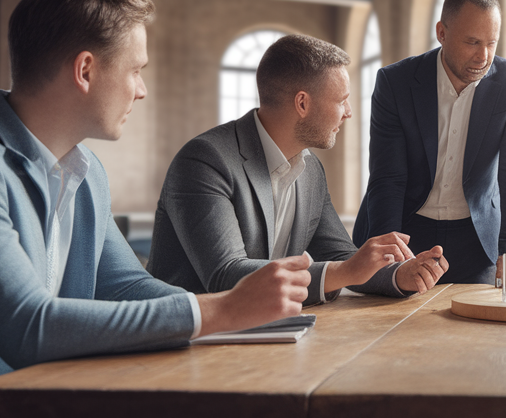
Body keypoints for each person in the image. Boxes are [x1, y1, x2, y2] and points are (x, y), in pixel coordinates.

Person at [0, 0, 311, 418]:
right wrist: (220, 311)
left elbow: (125, 286)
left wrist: (245, 318)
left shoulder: (86, 170)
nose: (141, 90)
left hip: (35, 400)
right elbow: (28, 327)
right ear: (85, 70)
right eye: (135, 70)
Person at [148, 34, 447, 303]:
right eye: (342, 100)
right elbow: (225, 276)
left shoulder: (311, 169)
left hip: (267, 336)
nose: (349, 113)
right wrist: (345, 271)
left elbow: (342, 258)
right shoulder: (205, 161)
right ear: (302, 104)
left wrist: (399, 274)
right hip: (189, 345)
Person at [352, 0, 506, 284]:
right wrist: (386, 257)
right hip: (407, 230)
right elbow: (388, 177)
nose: (483, 57)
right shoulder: (395, 82)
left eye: (492, 43)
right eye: (472, 42)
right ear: (442, 33)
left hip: (476, 237)